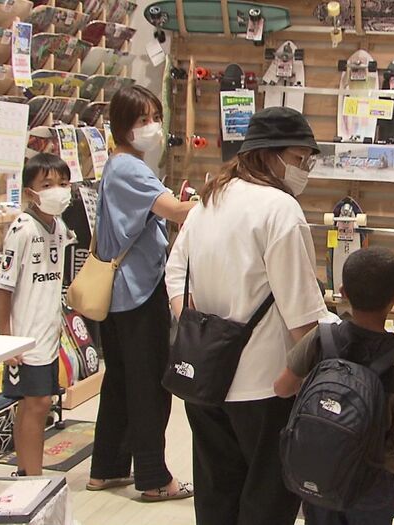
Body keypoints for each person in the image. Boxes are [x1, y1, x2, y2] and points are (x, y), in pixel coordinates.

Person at [165, 106, 329, 525]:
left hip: (204, 380)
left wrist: (202, 328)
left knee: (217, 497)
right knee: (267, 503)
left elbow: (175, 272)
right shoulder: (280, 210)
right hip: (266, 386)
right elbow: (303, 320)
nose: (304, 168)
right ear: (269, 155)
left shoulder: (208, 200)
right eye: (298, 158)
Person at [87, 85, 195, 501]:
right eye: (142, 119)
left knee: (120, 382)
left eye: (155, 116)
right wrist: (221, 198)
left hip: (118, 293)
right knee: (150, 385)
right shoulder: (131, 169)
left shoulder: (116, 165)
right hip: (138, 291)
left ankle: (107, 467)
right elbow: (176, 211)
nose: (152, 126)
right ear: (122, 126)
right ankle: (153, 477)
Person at [274, 247, 394, 525]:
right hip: (374, 477)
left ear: (343, 292)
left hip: (319, 466)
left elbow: (282, 388)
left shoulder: (321, 337)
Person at [0, 153, 74, 476]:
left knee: (39, 404)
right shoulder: (22, 229)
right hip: (25, 336)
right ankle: (31, 474)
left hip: (49, 331)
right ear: (30, 192)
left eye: (62, 183)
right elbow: (3, 286)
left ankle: (29, 471)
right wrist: (6, 337)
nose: (57, 190)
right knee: (36, 403)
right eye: (47, 184)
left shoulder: (60, 226)